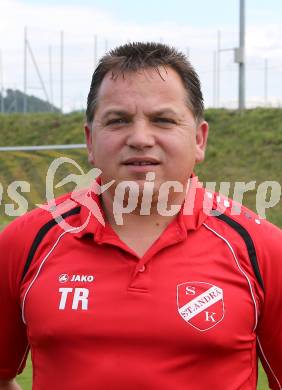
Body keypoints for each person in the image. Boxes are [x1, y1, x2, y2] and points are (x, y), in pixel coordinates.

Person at [0, 42, 281, 390]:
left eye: (163, 120)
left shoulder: (264, 250)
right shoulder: (24, 242)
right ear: (90, 141)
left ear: (199, 139)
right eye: (118, 121)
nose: (140, 138)